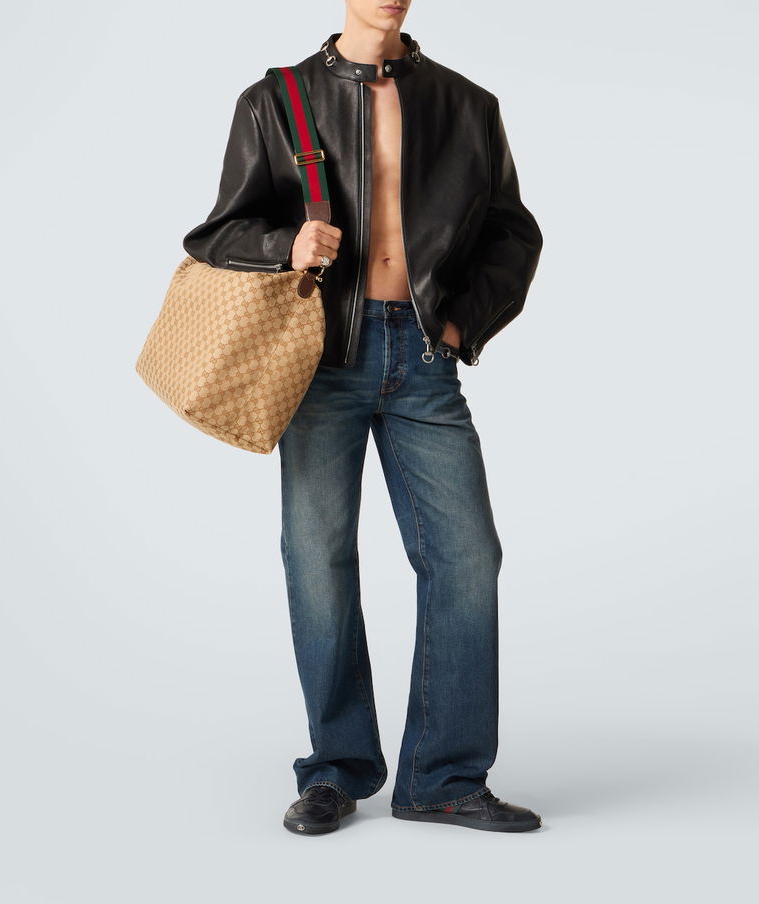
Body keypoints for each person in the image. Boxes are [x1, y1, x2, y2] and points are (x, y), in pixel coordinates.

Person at [183, 0, 543, 835]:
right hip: (320, 362)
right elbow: (217, 233)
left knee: (466, 557)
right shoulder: (275, 100)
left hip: (424, 361)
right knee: (319, 562)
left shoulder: (467, 105)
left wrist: (459, 326)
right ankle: (335, 769)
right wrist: (285, 246)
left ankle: (443, 778)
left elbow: (513, 234)